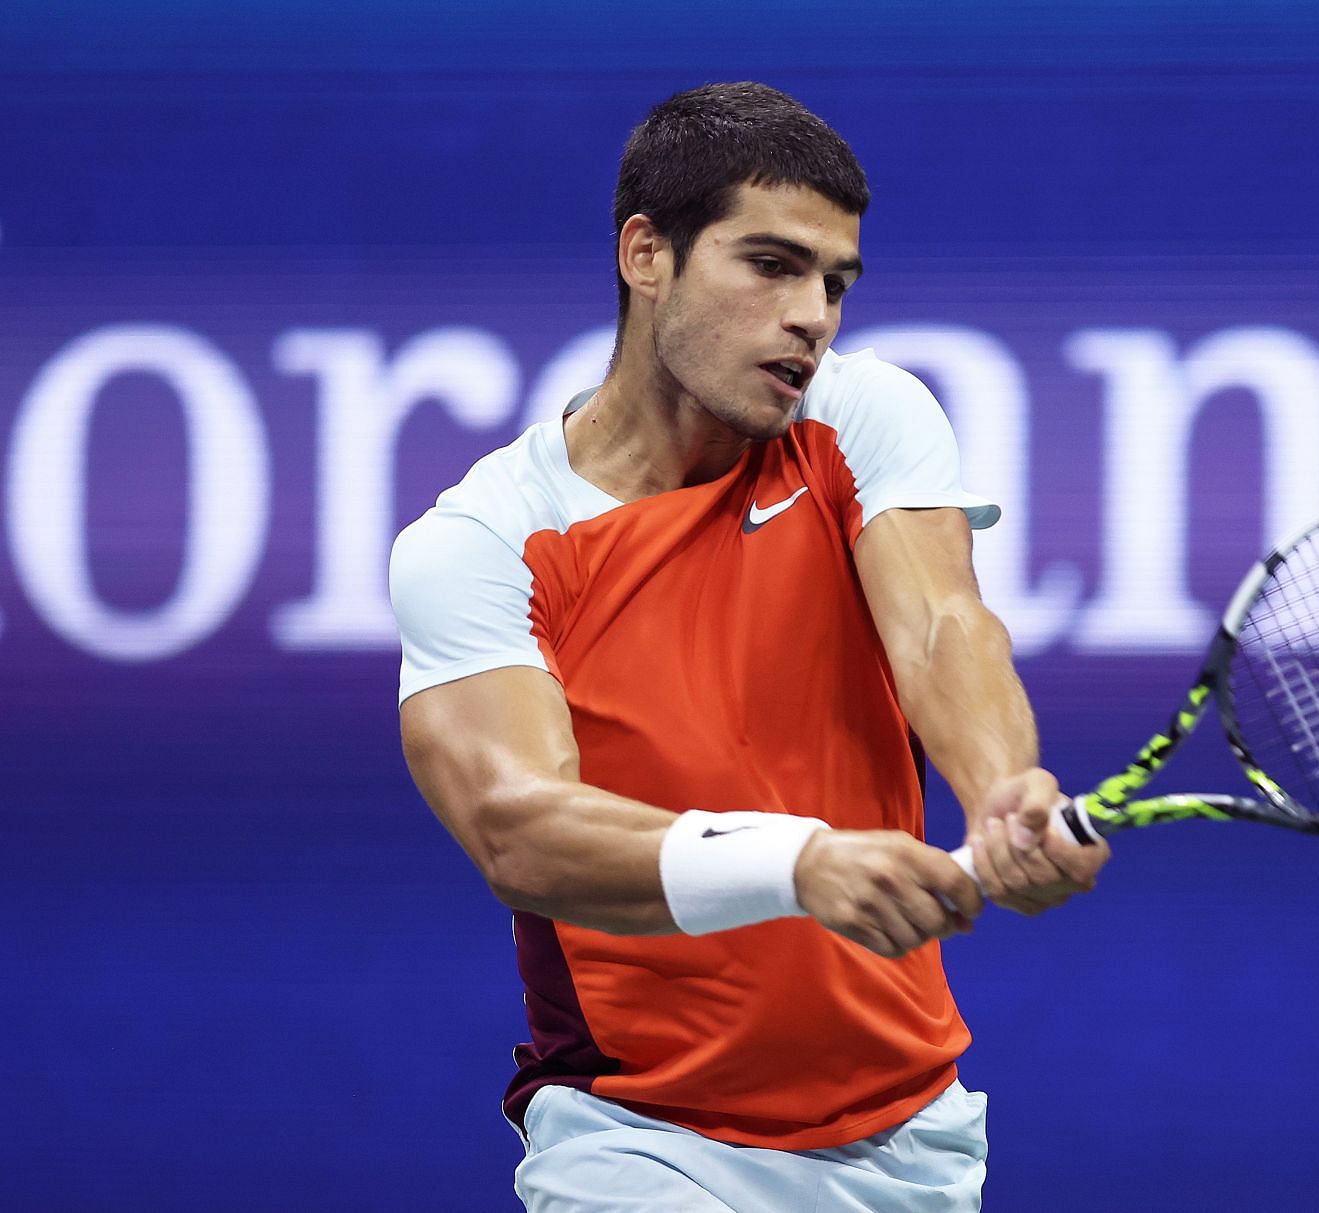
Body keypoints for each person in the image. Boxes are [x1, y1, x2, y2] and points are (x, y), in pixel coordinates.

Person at [388, 81, 1108, 1213]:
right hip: (639, 1136)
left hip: (912, 1135)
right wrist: (800, 862)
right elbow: (519, 831)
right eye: (770, 266)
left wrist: (1004, 787)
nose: (813, 314)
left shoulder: (860, 416)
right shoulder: (485, 541)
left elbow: (939, 625)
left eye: (835, 282)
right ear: (646, 255)